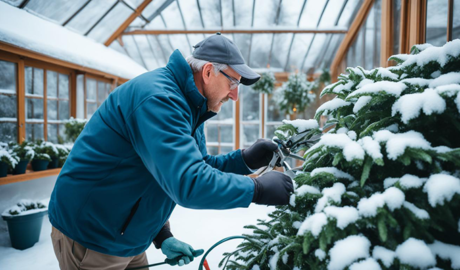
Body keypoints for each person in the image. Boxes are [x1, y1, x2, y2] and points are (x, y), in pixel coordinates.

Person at [48, 32, 293, 270]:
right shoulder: (159, 99)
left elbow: (191, 165)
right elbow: (189, 183)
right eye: (233, 82)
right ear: (208, 72)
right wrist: (257, 189)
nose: (235, 95)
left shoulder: (190, 104)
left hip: (127, 238)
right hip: (92, 240)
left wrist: (245, 160)